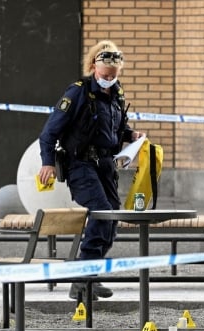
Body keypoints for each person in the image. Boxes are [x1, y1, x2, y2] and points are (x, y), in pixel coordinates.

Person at [38, 40, 143, 300]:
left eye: (113, 75)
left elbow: (116, 130)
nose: (109, 79)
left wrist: (132, 135)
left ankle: (89, 275)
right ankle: (82, 277)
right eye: (105, 75)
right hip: (80, 165)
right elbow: (49, 133)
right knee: (101, 212)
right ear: (93, 66)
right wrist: (47, 162)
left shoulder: (117, 94)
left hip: (106, 165)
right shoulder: (77, 92)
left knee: (111, 219)